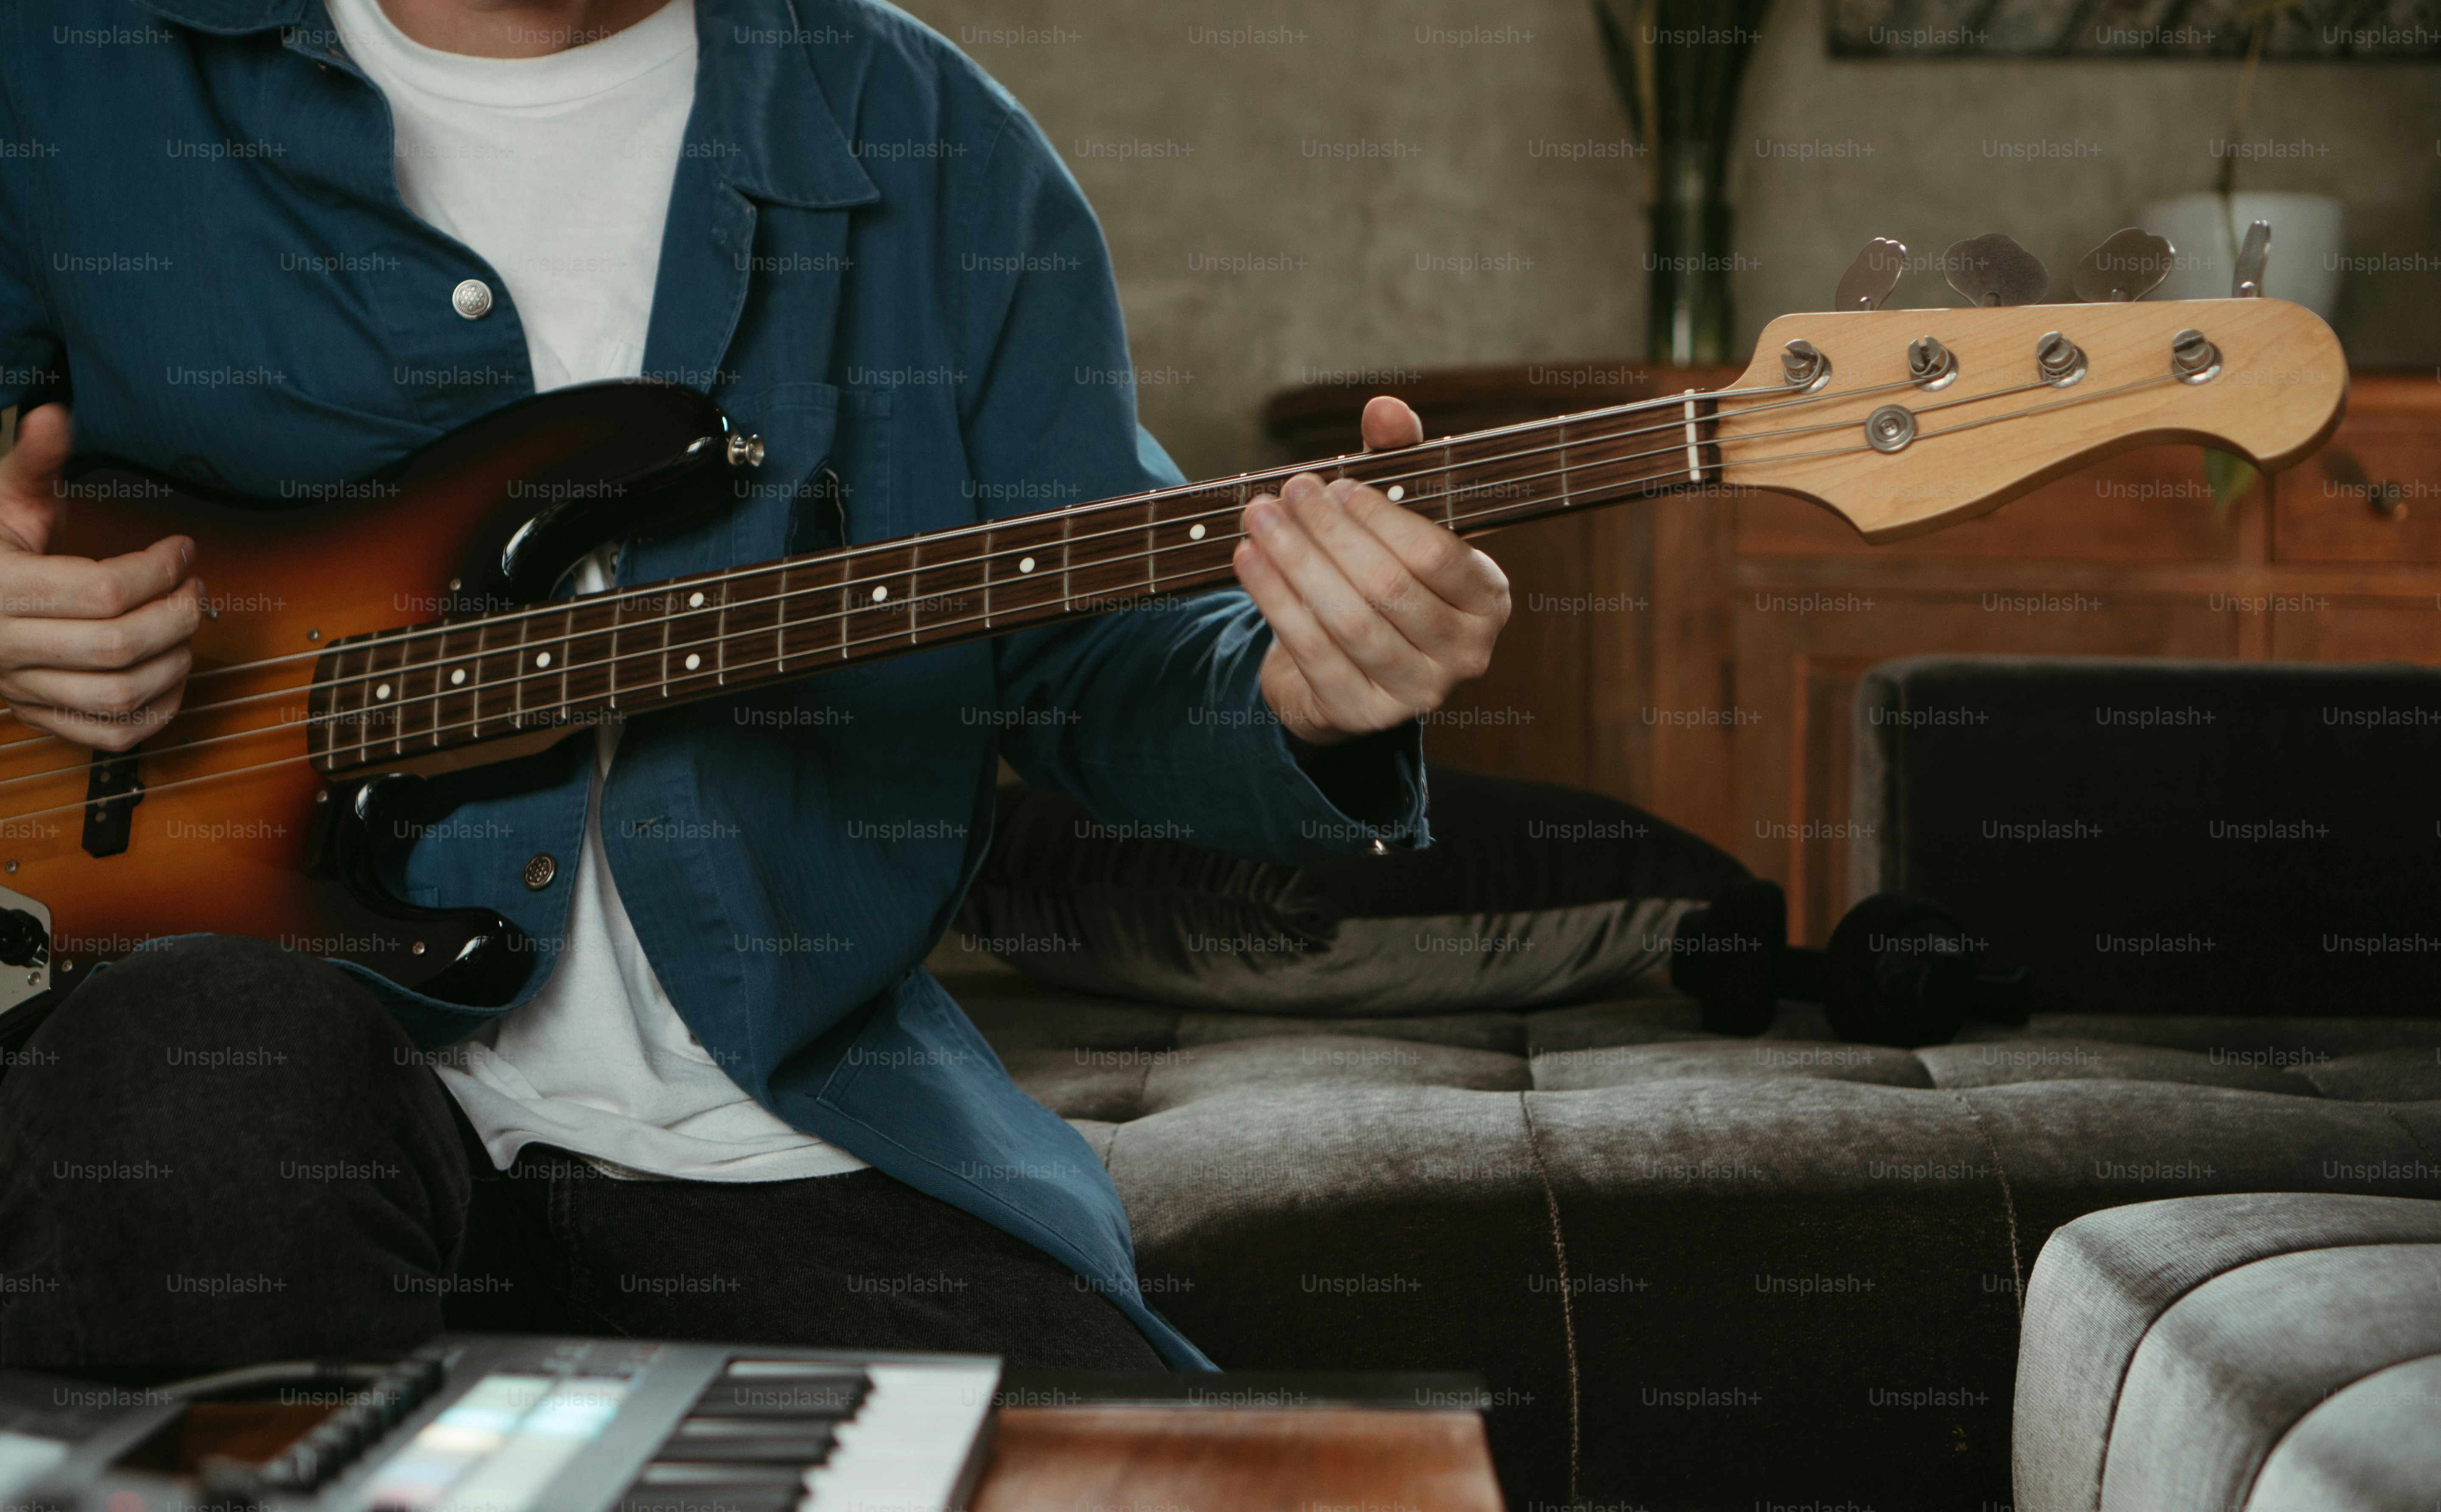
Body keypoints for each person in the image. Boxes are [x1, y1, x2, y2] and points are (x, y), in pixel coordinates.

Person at [0, 0, 1509, 1379]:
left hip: (782, 1132)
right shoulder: (67, 75)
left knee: (1127, 1471)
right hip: (258, 1088)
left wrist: (1307, 687)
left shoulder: (931, 140)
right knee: (186, 1072)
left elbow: (1094, 656)